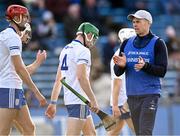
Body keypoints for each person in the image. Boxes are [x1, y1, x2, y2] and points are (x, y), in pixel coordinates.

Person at [113, 10, 168, 135]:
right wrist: (121, 66)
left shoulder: (158, 43)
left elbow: (162, 71)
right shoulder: (126, 43)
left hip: (150, 94)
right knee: (138, 133)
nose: (135, 24)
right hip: (132, 95)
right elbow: (117, 72)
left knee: (145, 132)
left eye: (138, 21)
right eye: (133, 22)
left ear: (148, 23)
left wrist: (146, 66)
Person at [0, 4, 47, 135]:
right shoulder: (12, 37)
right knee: (3, 132)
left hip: (13, 89)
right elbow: (20, 69)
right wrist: (37, 93)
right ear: (16, 17)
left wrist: (37, 63)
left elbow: (18, 71)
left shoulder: (8, 36)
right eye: (25, 17)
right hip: (9, 89)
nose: (27, 20)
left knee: (29, 129)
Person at [45, 22, 99, 135]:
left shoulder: (65, 49)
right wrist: (93, 99)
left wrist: (53, 102)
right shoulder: (84, 51)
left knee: (92, 134)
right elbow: (81, 77)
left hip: (73, 101)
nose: (92, 42)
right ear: (88, 34)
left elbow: (58, 80)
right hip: (79, 101)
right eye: (93, 38)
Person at [108, 28, 136, 136]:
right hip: (123, 102)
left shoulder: (126, 55)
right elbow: (117, 83)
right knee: (139, 130)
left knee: (115, 131)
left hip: (124, 101)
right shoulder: (119, 56)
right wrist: (115, 105)